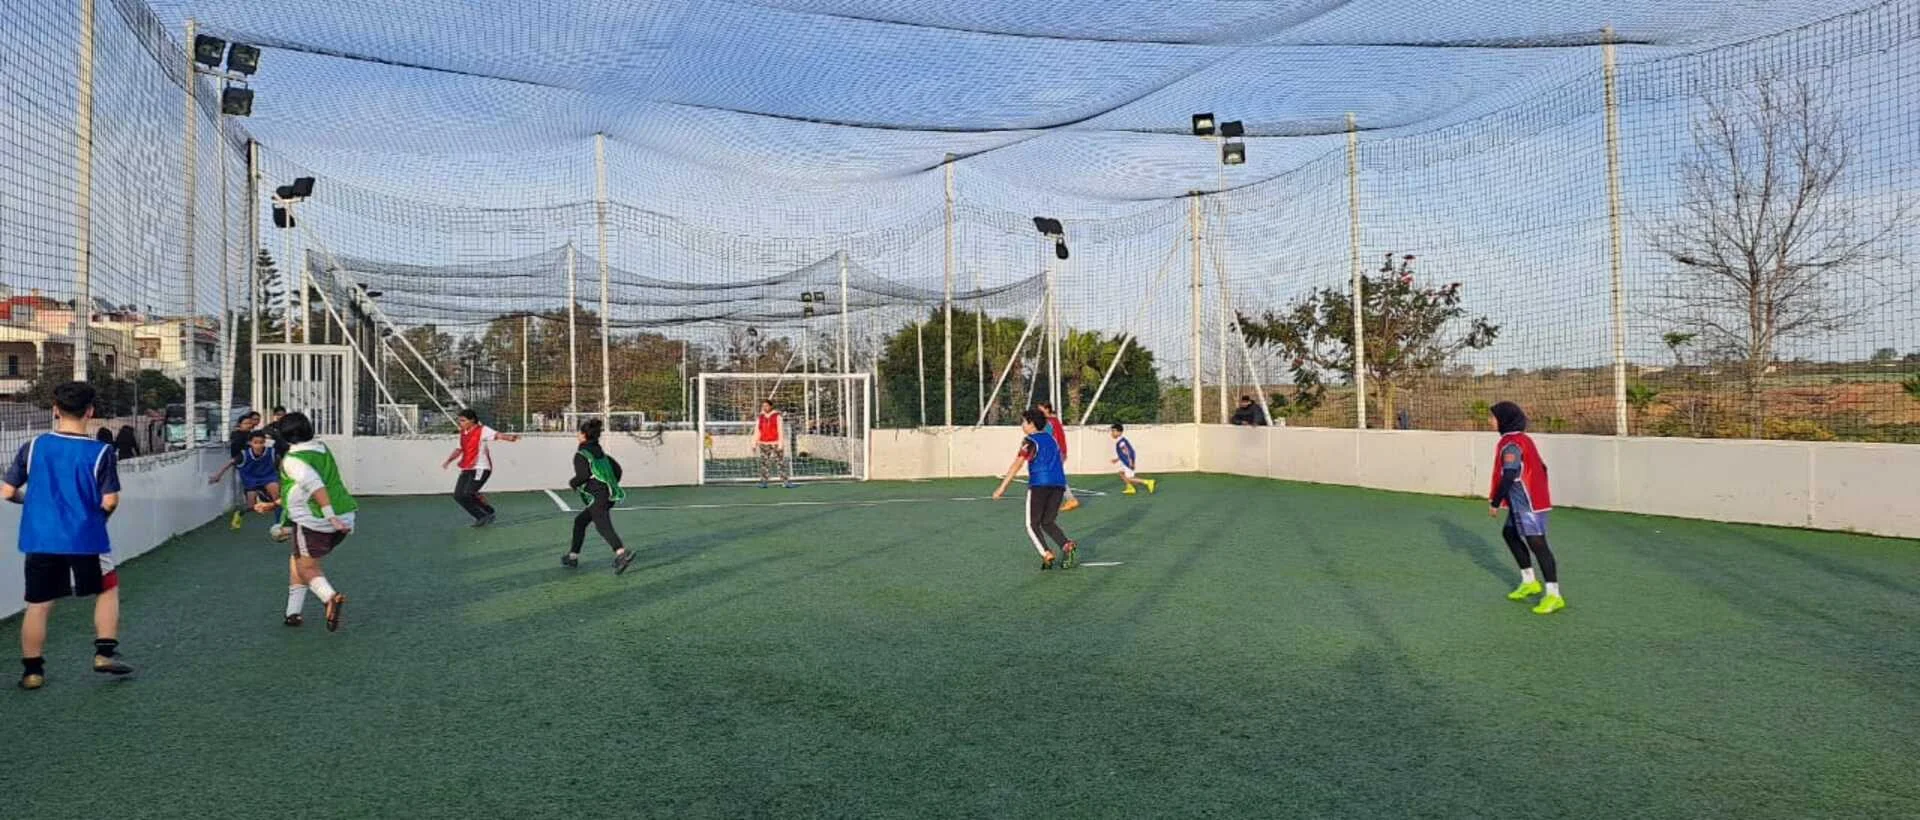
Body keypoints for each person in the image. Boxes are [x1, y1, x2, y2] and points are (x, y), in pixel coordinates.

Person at [3, 381, 133, 689]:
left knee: (38, 603)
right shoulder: (101, 452)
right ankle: (104, 653)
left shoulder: (33, 446)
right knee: (107, 587)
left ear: (54, 409)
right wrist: (99, 519)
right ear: (91, 411)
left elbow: (7, 491)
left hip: (40, 538)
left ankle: (32, 672)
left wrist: (30, 503)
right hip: (85, 536)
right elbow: (110, 500)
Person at [254, 412, 354, 631]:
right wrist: (273, 505)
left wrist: (330, 517)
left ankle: (330, 598)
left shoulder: (293, 460)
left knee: (306, 566)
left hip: (316, 520)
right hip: (345, 514)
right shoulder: (321, 449)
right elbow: (301, 491)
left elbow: (315, 486)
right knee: (297, 559)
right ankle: (292, 613)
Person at [1488, 401, 1564, 615]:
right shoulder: (1519, 439)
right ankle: (1530, 581)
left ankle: (1554, 595)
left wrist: (1495, 502)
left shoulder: (1512, 444)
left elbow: (1510, 475)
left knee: (1538, 544)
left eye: (1492, 417)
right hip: (1521, 503)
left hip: (1527, 505)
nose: (1489, 421)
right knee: (1509, 534)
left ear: (1503, 419)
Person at [993, 409, 1078, 571]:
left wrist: (1002, 487)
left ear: (1031, 424)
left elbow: (1017, 464)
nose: (1022, 425)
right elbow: (1059, 460)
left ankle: (1046, 553)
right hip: (1058, 485)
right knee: (1047, 522)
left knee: (1032, 524)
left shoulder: (1030, 440)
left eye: (1023, 422)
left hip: (1039, 484)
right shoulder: (1052, 440)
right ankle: (1066, 545)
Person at [563, 418, 636, 574]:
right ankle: (572, 556)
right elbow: (618, 470)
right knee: (580, 521)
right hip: (608, 495)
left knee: (603, 526)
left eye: (579, 432)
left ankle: (622, 553)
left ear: (583, 435)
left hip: (598, 497)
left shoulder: (582, 454)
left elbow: (582, 475)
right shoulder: (600, 453)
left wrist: (573, 483)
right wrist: (610, 483)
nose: (577, 435)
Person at [440, 409, 520, 527]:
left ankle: (487, 512)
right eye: (459, 421)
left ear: (472, 420)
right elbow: (459, 449)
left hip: (481, 467)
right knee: (458, 496)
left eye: (463, 420)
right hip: (467, 467)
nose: (460, 423)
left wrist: (510, 438)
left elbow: (497, 435)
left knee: (468, 493)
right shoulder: (463, 433)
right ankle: (481, 515)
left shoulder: (482, 430)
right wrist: (448, 460)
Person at [210, 430, 282, 531]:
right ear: (250, 443)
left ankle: (279, 523)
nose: (259, 445)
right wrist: (218, 475)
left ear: (264, 442)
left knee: (277, 497)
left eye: (261, 442)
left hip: (268, 477)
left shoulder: (272, 452)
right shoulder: (244, 454)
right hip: (251, 480)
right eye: (256, 443)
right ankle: (240, 513)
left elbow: (280, 462)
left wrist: (284, 472)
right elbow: (230, 463)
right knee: (251, 507)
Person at [1035, 402, 1077, 512]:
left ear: (1047, 409)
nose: (1039, 412)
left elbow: (1046, 437)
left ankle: (1070, 499)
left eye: (1041, 409)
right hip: (1059, 452)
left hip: (1056, 453)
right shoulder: (1054, 420)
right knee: (1053, 476)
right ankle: (1068, 499)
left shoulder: (1049, 422)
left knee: (1054, 476)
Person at [755, 399, 794, 489]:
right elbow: (758, 430)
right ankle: (764, 481)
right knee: (764, 463)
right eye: (763, 406)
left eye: (766, 405)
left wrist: (781, 444)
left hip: (775, 443)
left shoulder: (777, 416)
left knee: (780, 462)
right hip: (764, 443)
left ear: (771, 406)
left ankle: (785, 482)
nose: (765, 407)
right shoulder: (760, 417)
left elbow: (780, 431)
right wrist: (754, 442)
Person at [1108, 423, 1157, 495]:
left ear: (1120, 432)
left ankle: (1148, 482)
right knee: (1121, 473)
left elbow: (1128, 452)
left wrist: (1131, 462)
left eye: (1114, 431)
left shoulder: (1121, 442)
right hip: (1125, 461)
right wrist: (1117, 459)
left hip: (1127, 462)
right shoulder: (1120, 441)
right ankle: (1130, 488)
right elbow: (1123, 452)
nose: (1112, 433)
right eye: (1112, 431)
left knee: (1129, 478)